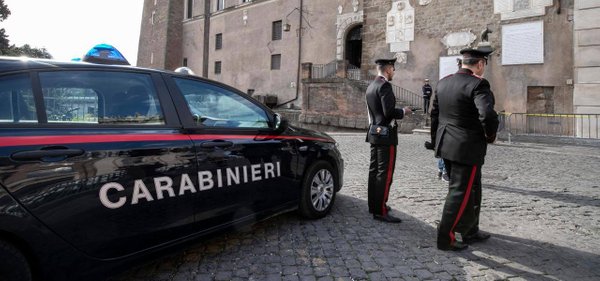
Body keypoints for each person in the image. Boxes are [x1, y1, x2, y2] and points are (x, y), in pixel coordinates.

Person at [430, 46, 499, 251]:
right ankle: (446, 238)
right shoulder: (478, 84)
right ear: (480, 64)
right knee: (460, 191)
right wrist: (490, 135)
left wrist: (436, 141)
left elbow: (434, 115)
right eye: (484, 64)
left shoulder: (444, 82)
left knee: (473, 189)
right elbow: (486, 114)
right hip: (466, 149)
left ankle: (469, 229)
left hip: (446, 145)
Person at [365, 57, 412, 223]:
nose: (394, 72)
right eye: (393, 69)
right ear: (388, 69)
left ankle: (374, 205)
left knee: (374, 171)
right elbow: (388, 112)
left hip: (373, 133)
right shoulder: (385, 85)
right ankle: (381, 210)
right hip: (386, 135)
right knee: (385, 173)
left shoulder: (371, 86)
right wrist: (404, 111)